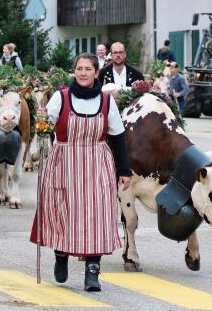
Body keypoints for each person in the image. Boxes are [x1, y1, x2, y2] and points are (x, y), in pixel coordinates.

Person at [31, 52, 131, 292]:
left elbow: (117, 137)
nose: (83, 73)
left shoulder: (107, 102)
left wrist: (124, 169)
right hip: (65, 161)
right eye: (79, 69)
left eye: (88, 69)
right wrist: (43, 124)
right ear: (74, 72)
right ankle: (61, 254)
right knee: (64, 212)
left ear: (96, 73)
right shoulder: (60, 98)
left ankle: (93, 272)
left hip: (97, 162)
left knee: (96, 216)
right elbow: (45, 128)